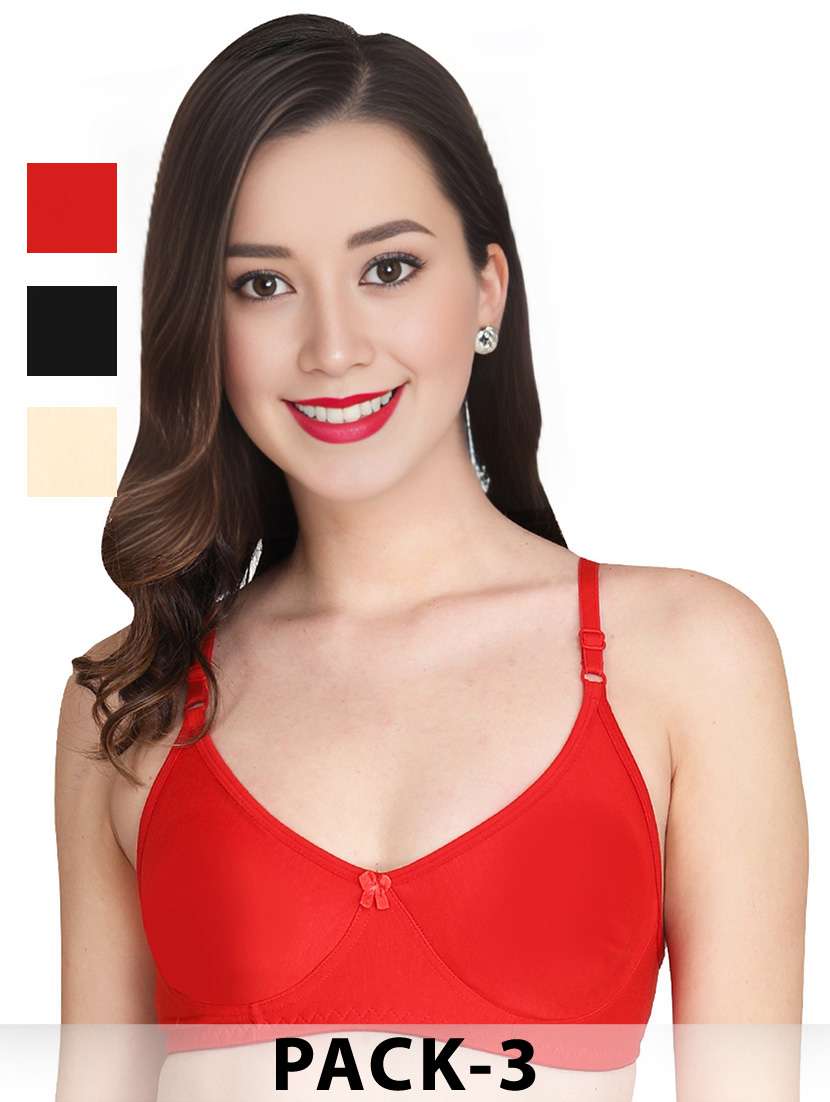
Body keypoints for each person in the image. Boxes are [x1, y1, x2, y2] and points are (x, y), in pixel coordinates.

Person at [54, 13, 807, 1101]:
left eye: (389, 268)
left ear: (488, 287)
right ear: (198, 326)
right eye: (261, 284)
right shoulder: (129, 702)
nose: (333, 348)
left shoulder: (691, 658)